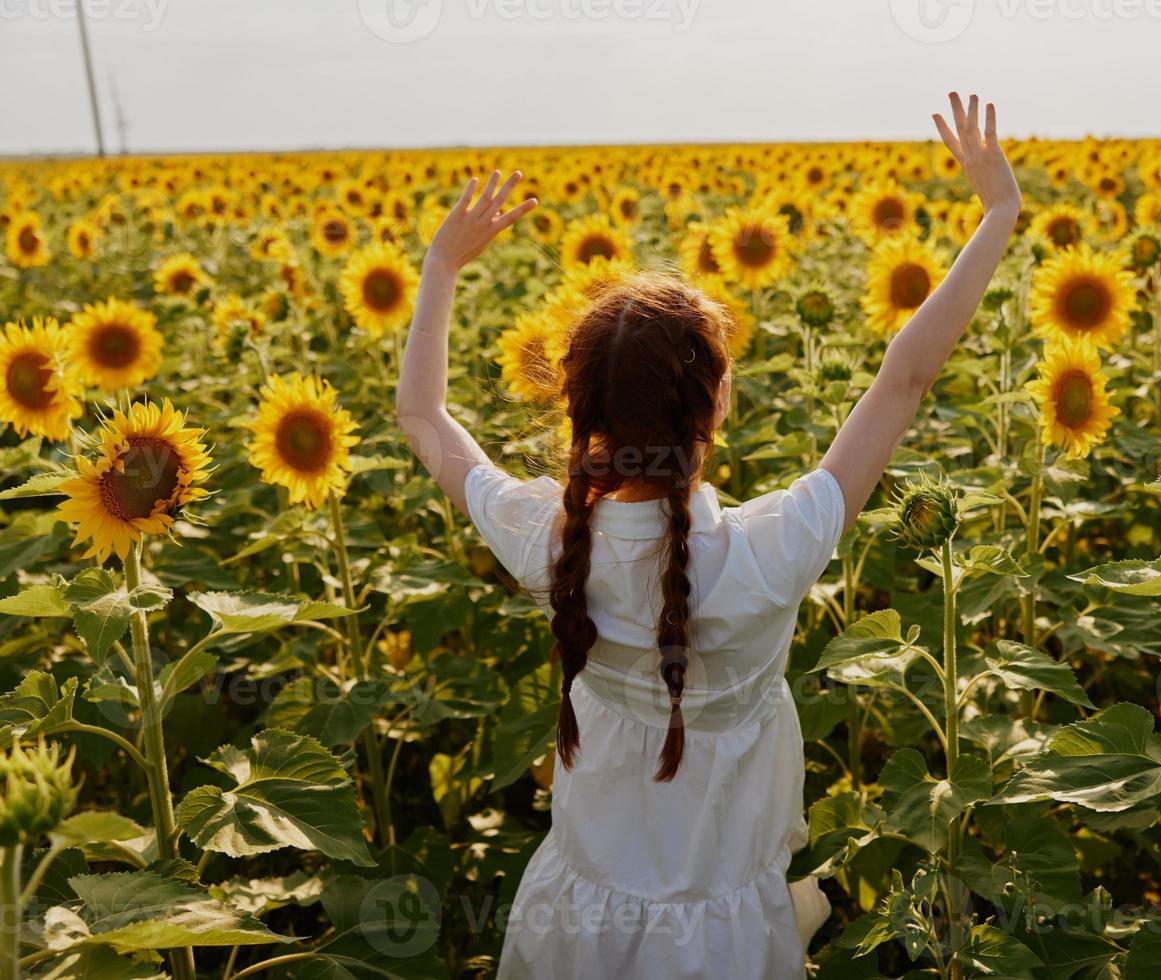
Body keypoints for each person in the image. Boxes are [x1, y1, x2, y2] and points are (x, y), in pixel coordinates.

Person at [395, 92, 1021, 980]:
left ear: (577, 409)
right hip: (728, 934)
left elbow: (422, 416)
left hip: (582, 913)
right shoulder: (772, 551)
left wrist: (441, 267)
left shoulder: (546, 537)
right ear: (719, 402)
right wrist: (998, 213)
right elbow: (904, 378)